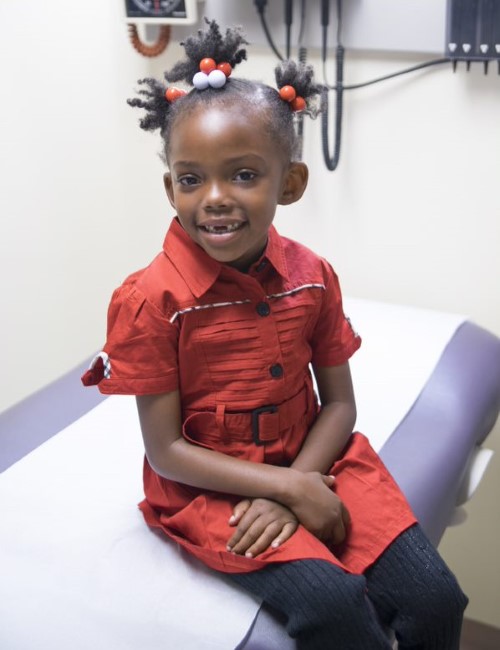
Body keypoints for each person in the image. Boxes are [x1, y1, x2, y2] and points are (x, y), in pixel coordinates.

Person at [82, 19, 467, 650]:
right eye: (190, 178)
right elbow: (166, 453)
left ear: (289, 183)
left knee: (437, 599)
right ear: (170, 188)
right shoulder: (151, 300)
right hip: (209, 489)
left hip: (320, 458)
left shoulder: (311, 278)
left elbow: (340, 404)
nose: (214, 198)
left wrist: (302, 482)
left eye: (242, 174)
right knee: (338, 609)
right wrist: (285, 489)